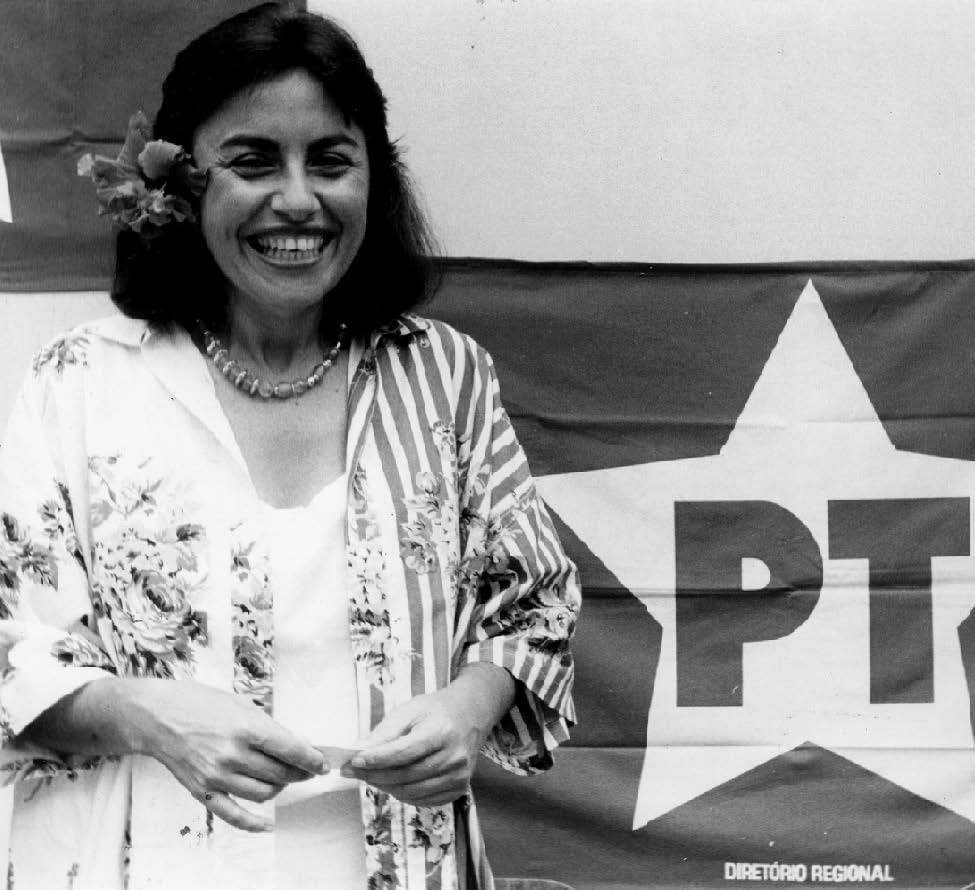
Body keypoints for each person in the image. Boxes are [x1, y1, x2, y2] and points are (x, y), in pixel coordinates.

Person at [0, 5, 579, 888]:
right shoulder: (80, 383)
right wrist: (150, 715)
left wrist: (467, 709)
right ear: (179, 182)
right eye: (254, 161)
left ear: (374, 181)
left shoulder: (444, 376)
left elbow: (531, 606)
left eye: (332, 162)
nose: (299, 200)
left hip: (398, 863)